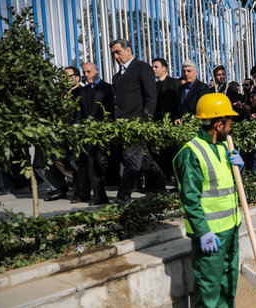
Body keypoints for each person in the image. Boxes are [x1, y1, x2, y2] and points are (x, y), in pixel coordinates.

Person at [172, 93, 250, 308]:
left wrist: (241, 165)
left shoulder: (225, 146)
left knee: (229, 279)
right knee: (208, 286)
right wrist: (203, 231)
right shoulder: (190, 153)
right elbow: (190, 199)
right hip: (210, 235)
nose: (232, 123)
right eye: (229, 118)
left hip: (231, 228)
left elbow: (228, 187)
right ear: (217, 123)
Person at [110, 39, 165, 204]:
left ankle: (123, 196)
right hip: (122, 126)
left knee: (131, 157)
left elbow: (150, 96)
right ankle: (161, 188)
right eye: (113, 53)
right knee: (144, 158)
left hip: (137, 124)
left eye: (118, 52)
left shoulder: (142, 67)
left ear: (129, 50)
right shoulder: (117, 76)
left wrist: (145, 121)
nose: (116, 56)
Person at [43, 66, 81, 201]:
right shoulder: (60, 94)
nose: (64, 79)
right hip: (58, 134)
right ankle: (63, 188)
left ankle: (80, 187)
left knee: (70, 162)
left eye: (68, 76)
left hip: (73, 134)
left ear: (77, 78)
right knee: (55, 161)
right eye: (63, 77)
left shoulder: (80, 93)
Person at [81, 61, 114, 205]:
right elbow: (80, 113)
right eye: (84, 72)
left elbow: (112, 110)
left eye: (88, 72)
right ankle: (99, 197)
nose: (86, 75)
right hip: (88, 134)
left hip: (104, 133)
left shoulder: (108, 89)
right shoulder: (83, 91)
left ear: (96, 71)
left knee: (102, 162)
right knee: (92, 165)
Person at [152, 57, 182, 185]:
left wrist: (177, 117)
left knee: (174, 152)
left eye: (156, 67)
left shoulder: (174, 83)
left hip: (172, 124)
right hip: (158, 125)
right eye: (152, 67)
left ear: (164, 69)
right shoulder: (153, 85)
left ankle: (177, 181)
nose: (153, 69)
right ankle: (164, 179)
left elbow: (179, 102)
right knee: (161, 153)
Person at [173, 60, 209, 124]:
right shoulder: (180, 88)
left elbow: (200, 108)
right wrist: (176, 118)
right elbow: (176, 105)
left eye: (189, 71)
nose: (186, 74)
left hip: (195, 124)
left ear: (195, 72)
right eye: (184, 71)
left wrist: (185, 120)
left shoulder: (202, 87)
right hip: (180, 126)